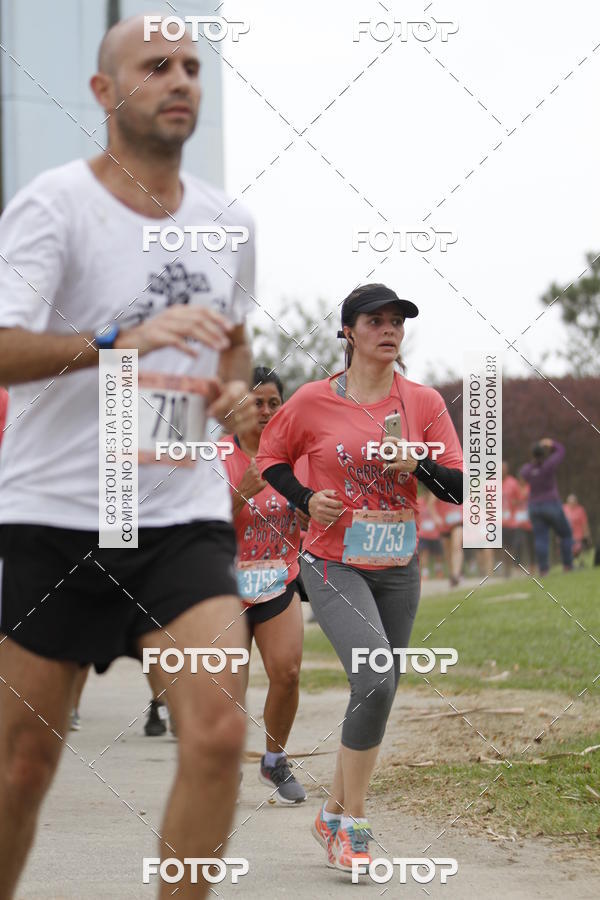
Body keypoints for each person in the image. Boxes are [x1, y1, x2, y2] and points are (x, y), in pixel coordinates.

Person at [0, 16, 256, 899]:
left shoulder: (230, 218)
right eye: (157, 66)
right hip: (59, 514)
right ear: (106, 94)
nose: (181, 78)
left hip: (180, 516)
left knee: (220, 733)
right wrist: (118, 339)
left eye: (192, 65)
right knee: (22, 766)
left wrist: (233, 395)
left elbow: (234, 346)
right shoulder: (53, 205)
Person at [256, 283, 464, 871]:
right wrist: (303, 498)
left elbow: (460, 486)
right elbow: (269, 458)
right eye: (375, 320)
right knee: (374, 679)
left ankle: (331, 813)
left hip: (398, 565)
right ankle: (353, 826)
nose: (389, 329)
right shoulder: (312, 401)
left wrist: (418, 463)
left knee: (381, 689)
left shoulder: (422, 402)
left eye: (397, 321)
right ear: (348, 332)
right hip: (331, 560)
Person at [223, 367, 307, 804]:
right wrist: (240, 493)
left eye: (275, 402)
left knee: (288, 672)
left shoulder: (295, 457)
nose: (267, 410)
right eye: (258, 402)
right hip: (224, 586)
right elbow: (195, 525)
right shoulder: (216, 454)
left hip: (278, 577)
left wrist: (313, 515)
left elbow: (313, 514)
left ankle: (274, 760)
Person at [520, 439, 573, 575]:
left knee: (540, 538)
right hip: (551, 504)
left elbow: (522, 474)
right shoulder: (548, 465)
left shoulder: (528, 469)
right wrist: (551, 444)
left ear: (532, 455)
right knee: (565, 534)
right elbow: (561, 451)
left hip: (534, 507)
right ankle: (567, 566)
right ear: (544, 453)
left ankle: (544, 569)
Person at [500, 460, 525, 576]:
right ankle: (504, 567)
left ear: (507, 470)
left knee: (511, 546)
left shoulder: (513, 483)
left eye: (504, 469)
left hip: (511, 522)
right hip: (498, 521)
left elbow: (520, 499)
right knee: (502, 547)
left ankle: (510, 568)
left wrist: (514, 502)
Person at [416, 489, 444, 579]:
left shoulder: (437, 502)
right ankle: (425, 573)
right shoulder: (419, 502)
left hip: (436, 533)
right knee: (424, 553)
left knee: (438, 555)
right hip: (423, 534)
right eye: (427, 492)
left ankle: (438, 571)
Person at [436, 497, 464, 586]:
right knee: (448, 550)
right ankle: (452, 573)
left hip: (458, 521)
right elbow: (430, 503)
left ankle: (456, 574)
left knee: (456, 546)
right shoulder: (439, 484)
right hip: (445, 523)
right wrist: (435, 516)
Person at [563, 494, 591, 565]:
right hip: (566, 535)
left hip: (578, 535)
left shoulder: (580, 510)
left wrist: (586, 535)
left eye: (573, 502)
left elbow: (584, 523)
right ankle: (570, 564)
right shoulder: (564, 508)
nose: (572, 503)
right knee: (568, 549)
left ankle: (579, 563)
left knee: (577, 549)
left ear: (576, 502)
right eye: (570, 502)